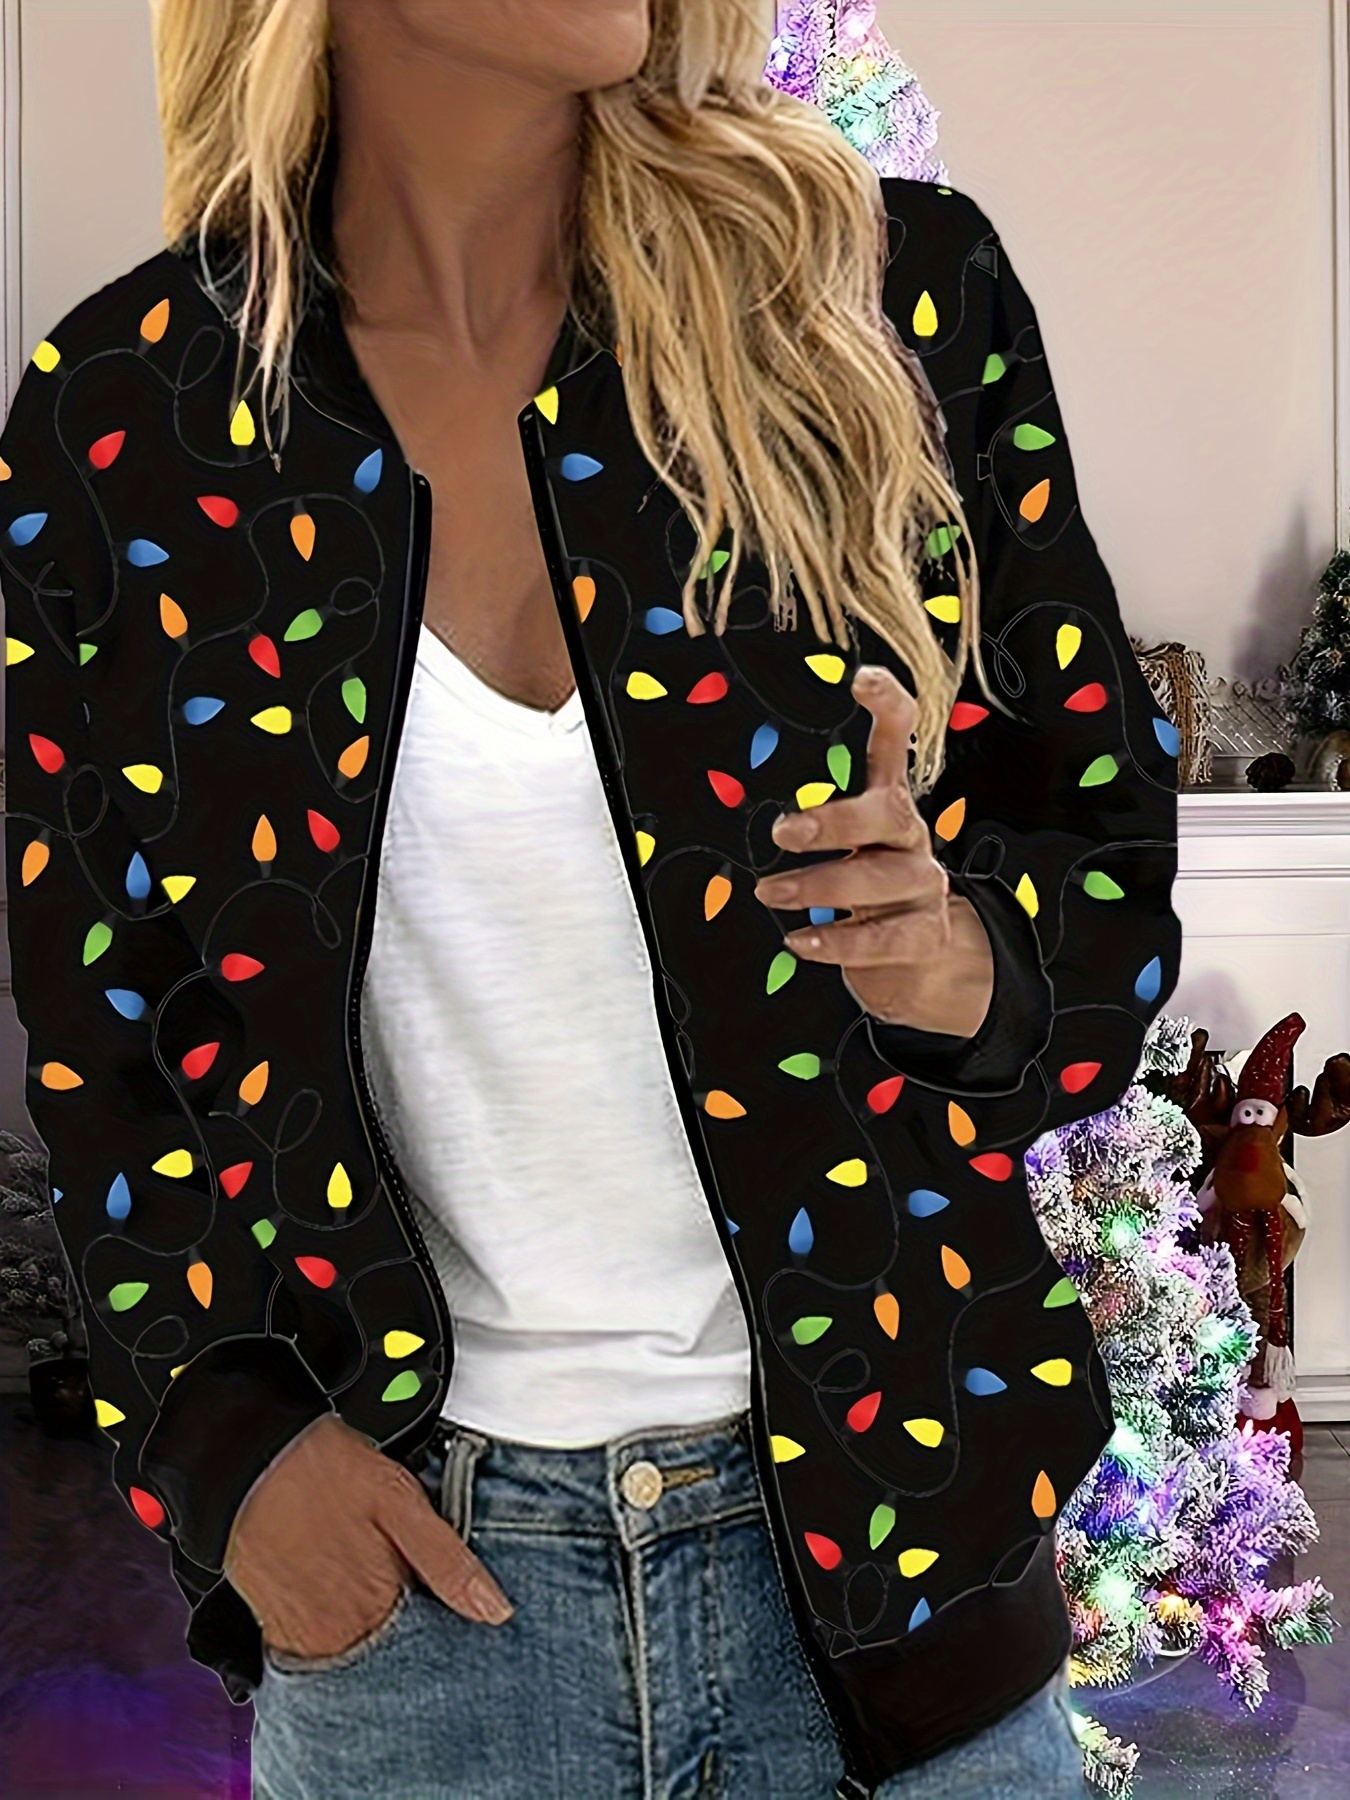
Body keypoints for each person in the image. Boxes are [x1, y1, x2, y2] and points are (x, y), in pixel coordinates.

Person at [0, 2, 1181, 1796]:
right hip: (421, 1622)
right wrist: (232, 1460)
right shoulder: (126, 409)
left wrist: (959, 962)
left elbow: (1099, 868)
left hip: (899, 1591)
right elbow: (106, 1033)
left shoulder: (886, 295)